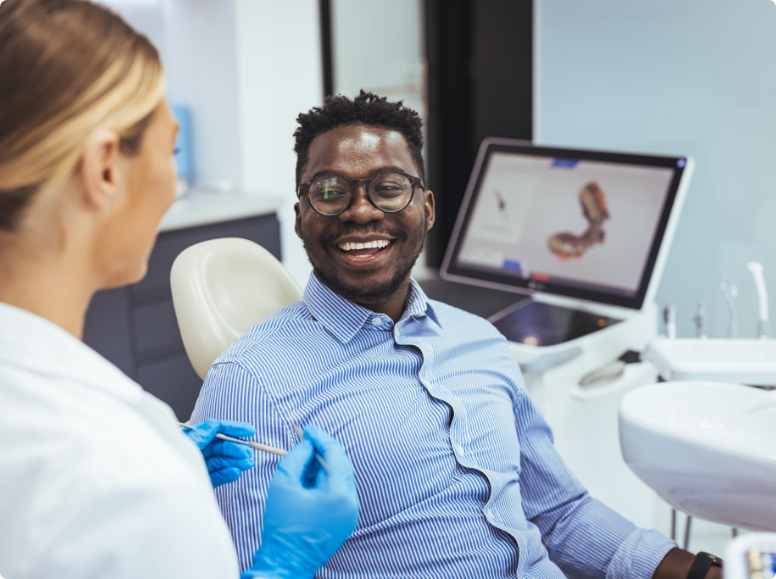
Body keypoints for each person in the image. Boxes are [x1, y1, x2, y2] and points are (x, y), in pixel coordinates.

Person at [193, 91, 724, 579]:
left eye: (388, 188)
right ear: (301, 216)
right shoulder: (252, 382)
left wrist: (699, 572)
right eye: (330, 192)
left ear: (425, 209)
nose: (359, 211)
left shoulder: (479, 341)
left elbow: (558, 514)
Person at [0, 2, 358, 578]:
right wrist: (282, 565)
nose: (172, 184)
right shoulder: (124, 472)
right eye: (171, 149)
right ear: (106, 171)